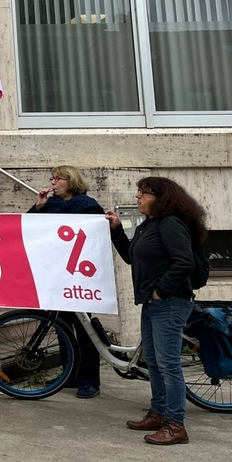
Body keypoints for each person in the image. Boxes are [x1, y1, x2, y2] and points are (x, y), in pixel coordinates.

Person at [106, 177, 206, 446]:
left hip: (170, 303)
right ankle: (158, 413)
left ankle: (176, 424)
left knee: (169, 364)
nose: (137, 196)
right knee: (154, 362)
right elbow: (130, 255)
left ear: (161, 198)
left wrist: (161, 290)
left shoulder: (171, 224)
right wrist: (116, 229)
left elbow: (183, 262)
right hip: (153, 304)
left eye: (144, 193)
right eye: (138, 191)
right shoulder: (149, 225)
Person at [28, 166, 105, 399]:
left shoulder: (87, 206)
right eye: (51, 178)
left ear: (70, 181)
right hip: (56, 274)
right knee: (61, 327)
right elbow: (28, 229)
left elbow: (96, 240)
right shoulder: (49, 205)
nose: (52, 182)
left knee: (85, 330)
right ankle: (69, 373)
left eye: (57, 178)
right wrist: (38, 207)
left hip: (80, 276)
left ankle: (90, 380)